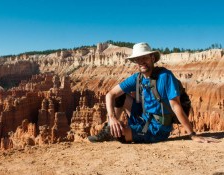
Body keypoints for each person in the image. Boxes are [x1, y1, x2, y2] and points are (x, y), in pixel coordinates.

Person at [88, 42, 220, 143]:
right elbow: (110, 94)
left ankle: (114, 132)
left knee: (121, 136)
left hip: (157, 128)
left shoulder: (166, 76)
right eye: (138, 59)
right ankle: (110, 128)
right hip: (143, 117)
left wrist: (192, 135)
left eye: (144, 57)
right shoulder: (138, 77)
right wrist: (112, 118)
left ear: (152, 57)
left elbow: (175, 105)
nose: (141, 62)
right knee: (119, 96)